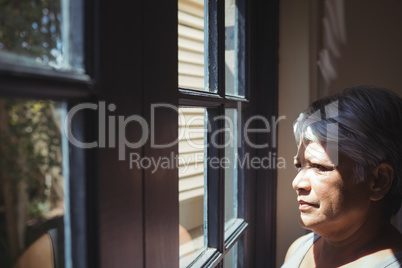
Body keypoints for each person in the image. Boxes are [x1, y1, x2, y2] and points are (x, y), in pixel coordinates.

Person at [282, 85, 402, 267]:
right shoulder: (299, 249)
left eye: (319, 166)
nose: (297, 183)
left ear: (379, 181)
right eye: (299, 165)